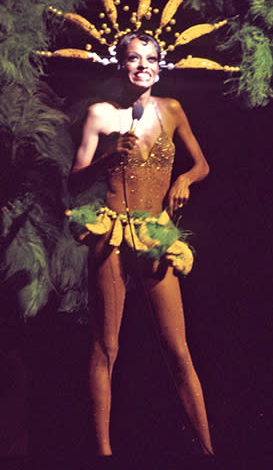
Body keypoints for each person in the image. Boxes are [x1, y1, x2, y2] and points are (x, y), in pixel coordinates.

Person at [69, 33, 214, 456]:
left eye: (150, 58)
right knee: (106, 346)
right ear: (121, 65)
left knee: (178, 349)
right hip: (112, 232)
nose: (142, 65)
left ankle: (210, 453)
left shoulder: (171, 110)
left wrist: (184, 180)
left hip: (154, 233)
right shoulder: (100, 114)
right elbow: (74, 181)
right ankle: (103, 454)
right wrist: (109, 157)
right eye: (134, 58)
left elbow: (202, 163)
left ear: (159, 64)